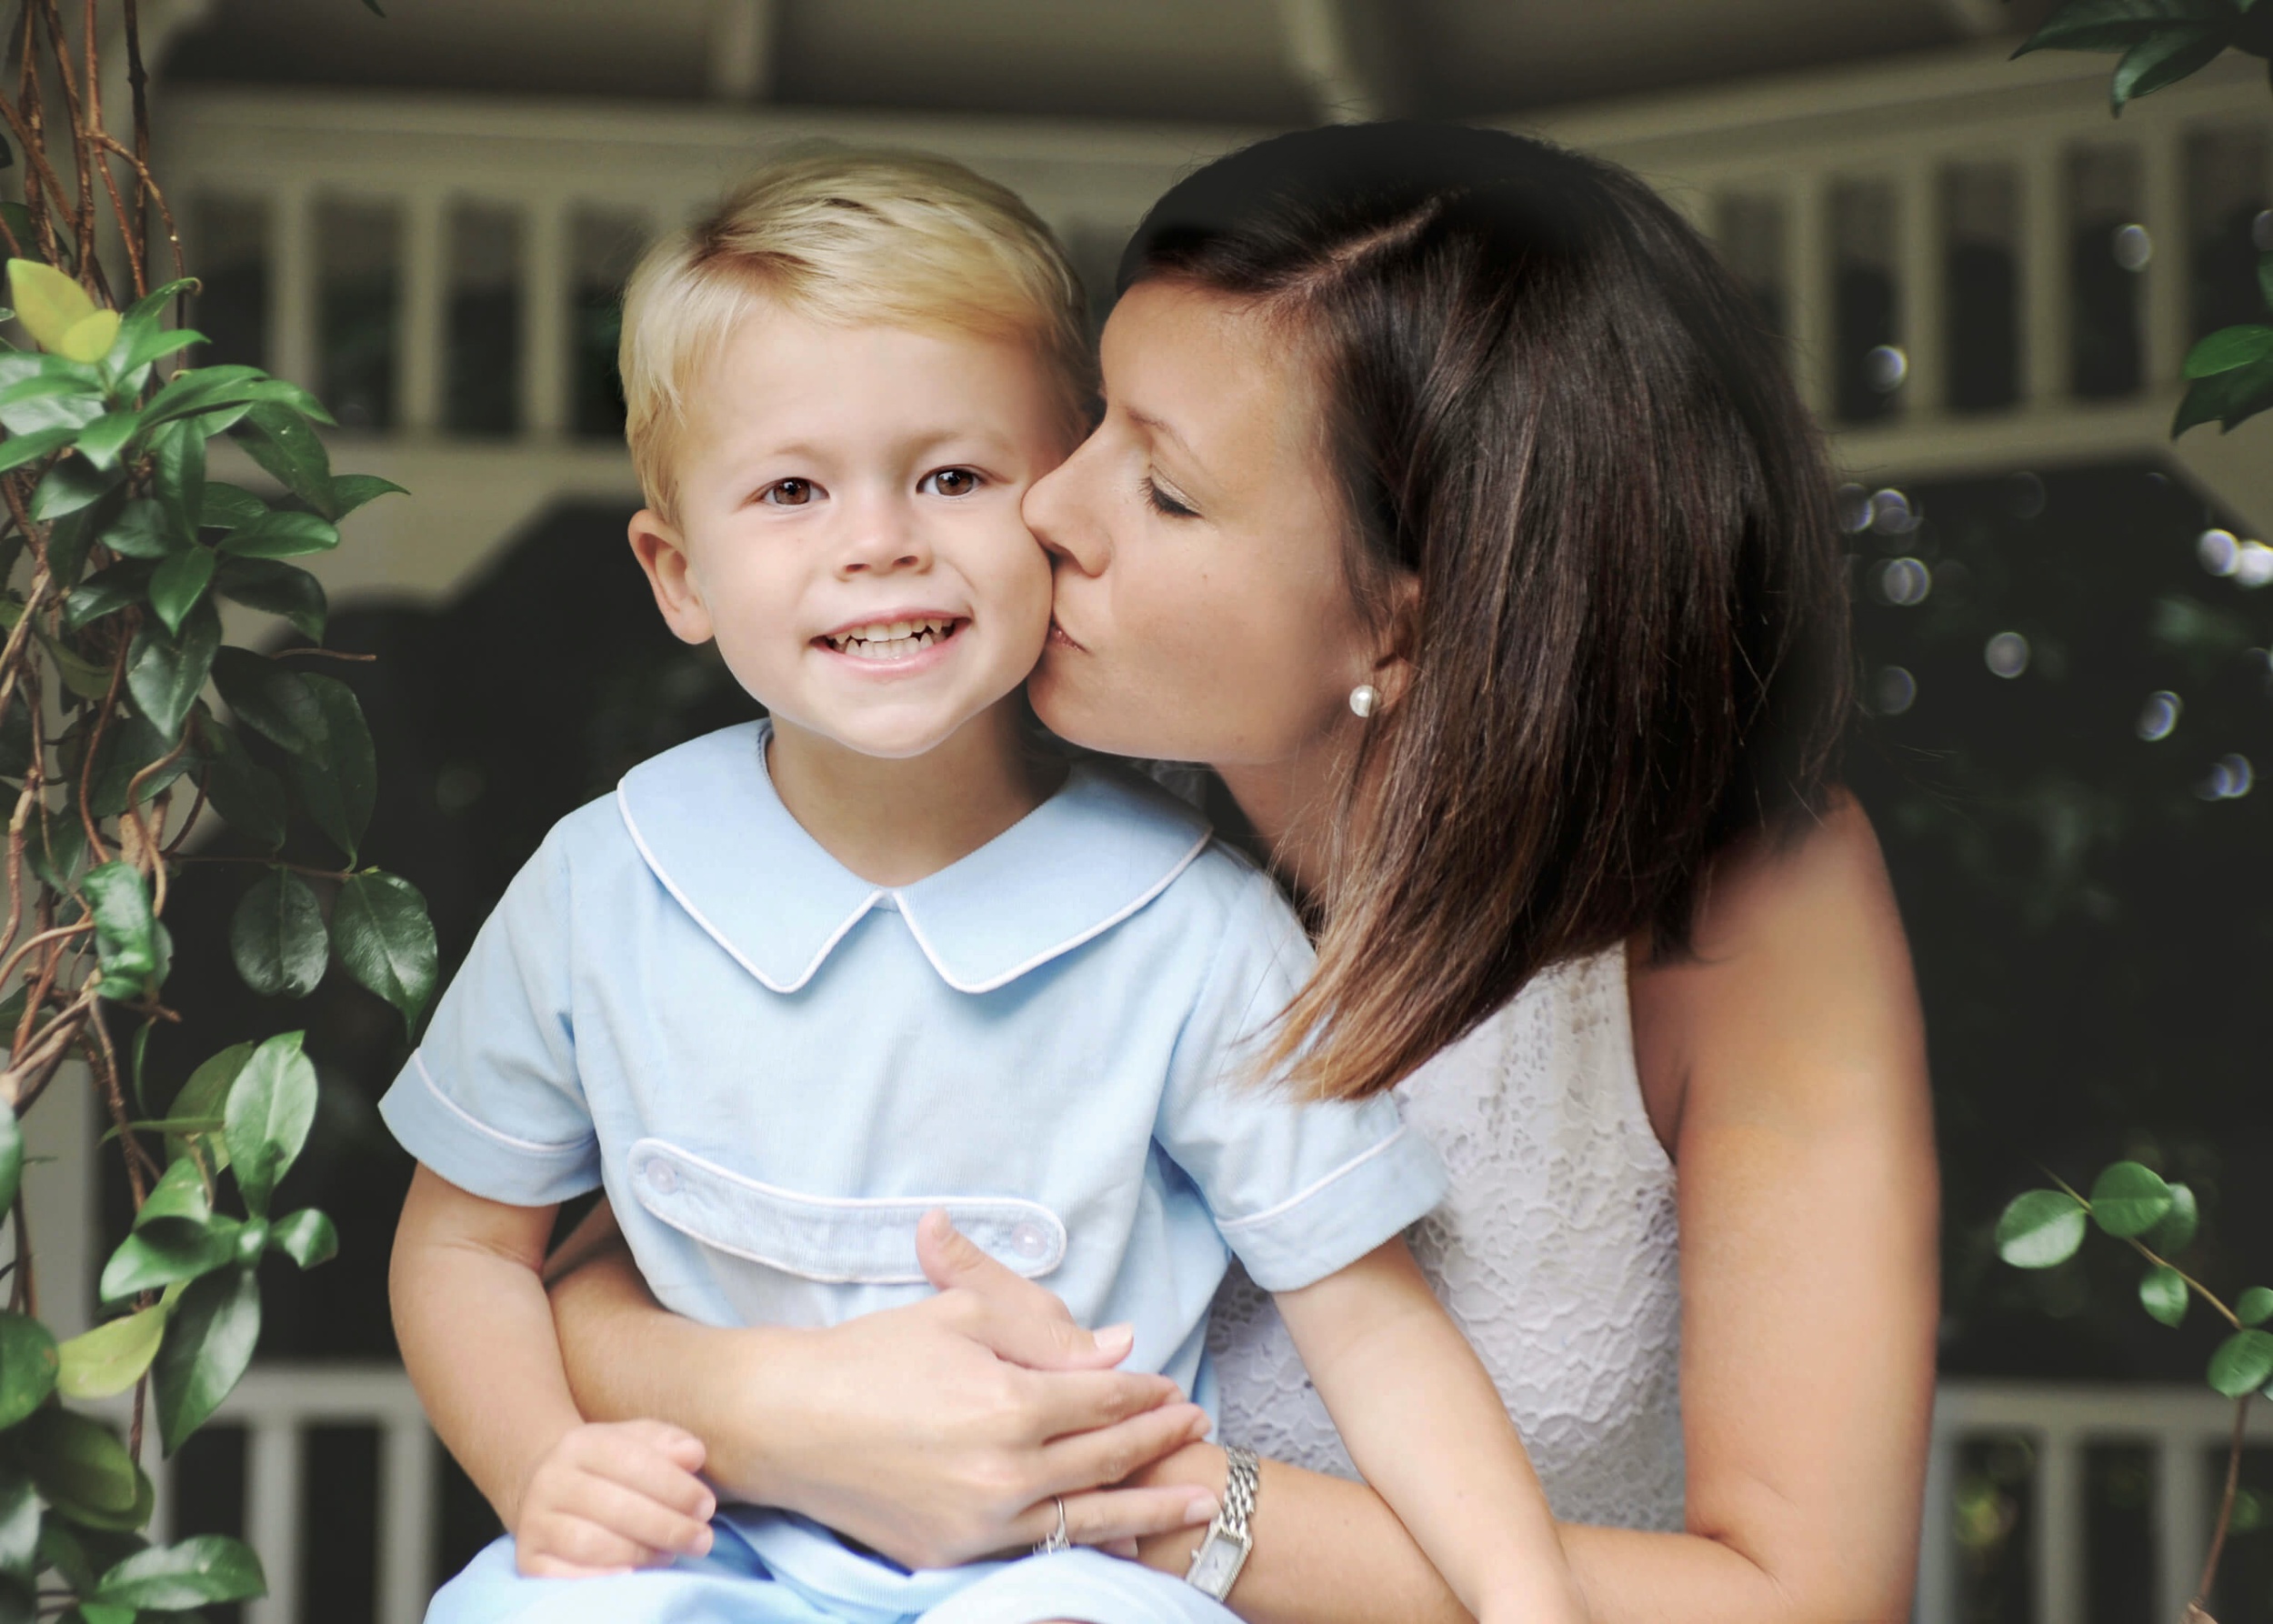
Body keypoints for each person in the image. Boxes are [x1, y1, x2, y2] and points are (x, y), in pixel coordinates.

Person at [542, 122, 1940, 1624]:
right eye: (1091, 427)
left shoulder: (1745, 907)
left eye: (1163, 488)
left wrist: (1139, 1496)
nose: (1046, 508)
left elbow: (1809, 1600)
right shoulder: (985, 779)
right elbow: (615, 1263)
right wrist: (794, 1415)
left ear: (1408, 619)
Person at [384, 147, 1589, 1624]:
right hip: (710, 1552)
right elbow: (460, 1242)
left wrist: (1533, 1611)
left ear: (1054, 508)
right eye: (789, 489)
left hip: (1065, 1569)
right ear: (677, 570)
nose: (879, 539)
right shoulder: (603, 882)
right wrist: (541, 1465)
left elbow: (1373, 1321)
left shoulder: (1191, 927)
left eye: (953, 475)